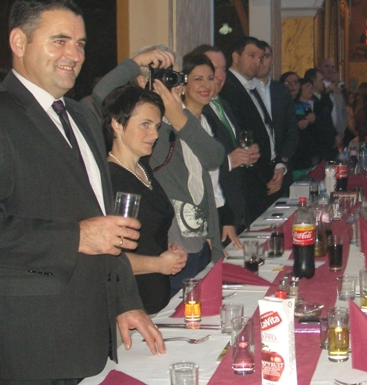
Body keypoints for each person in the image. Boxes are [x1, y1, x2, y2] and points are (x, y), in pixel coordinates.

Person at [0, 0, 164, 383]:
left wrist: (124, 300)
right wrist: (75, 236)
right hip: (20, 343)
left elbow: (102, 222)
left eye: (80, 44)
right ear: (19, 42)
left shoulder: (82, 117)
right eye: (59, 41)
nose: (74, 54)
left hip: (83, 334)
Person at [102, 85, 187, 314]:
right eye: (145, 125)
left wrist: (168, 248)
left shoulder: (142, 169)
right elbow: (109, 258)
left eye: (157, 126)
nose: (155, 135)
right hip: (129, 306)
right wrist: (159, 264)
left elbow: (148, 232)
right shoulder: (111, 180)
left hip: (155, 298)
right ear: (117, 124)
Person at [150, 53, 228, 295]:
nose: (206, 85)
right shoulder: (161, 124)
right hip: (174, 237)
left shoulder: (204, 122)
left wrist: (210, 231)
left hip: (199, 233)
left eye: (210, 78)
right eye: (198, 79)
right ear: (182, 84)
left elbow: (209, 178)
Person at [190, 43, 259, 236]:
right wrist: (229, 161)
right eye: (214, 69)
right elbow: (193, 165)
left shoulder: (223, 104)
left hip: (237, 203)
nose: (220, 76)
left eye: (223, 69)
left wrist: (247, 154)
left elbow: (232, 145)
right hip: (215, 210)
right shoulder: (194, 112)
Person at [219, 37, 285, 224]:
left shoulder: (251, 86)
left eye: (261, 57)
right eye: (251, 56)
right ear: (235, 57)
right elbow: (239, 138)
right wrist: (263, 177)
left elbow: (266, 130)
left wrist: (277, 166)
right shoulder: (228, 88)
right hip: (249, 179)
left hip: (265, 174)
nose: (258, 62)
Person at [254, 41, 299, 196]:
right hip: (256, 169)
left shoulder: (282, 91)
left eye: (265, 56)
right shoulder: (245, 91)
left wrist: (282, 162)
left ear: (272, 60)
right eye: (257, 57)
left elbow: (292, 129)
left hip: (283, 166)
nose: (261, 61)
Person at [289, 76, 320, 178]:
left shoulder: (306, 106)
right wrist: (298, 124)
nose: (311, 89)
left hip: (308, 148)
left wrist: (313, 120)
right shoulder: (289, 105)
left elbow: (314, 127)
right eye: (307, 86)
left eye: (311, 87)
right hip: (296, 150)